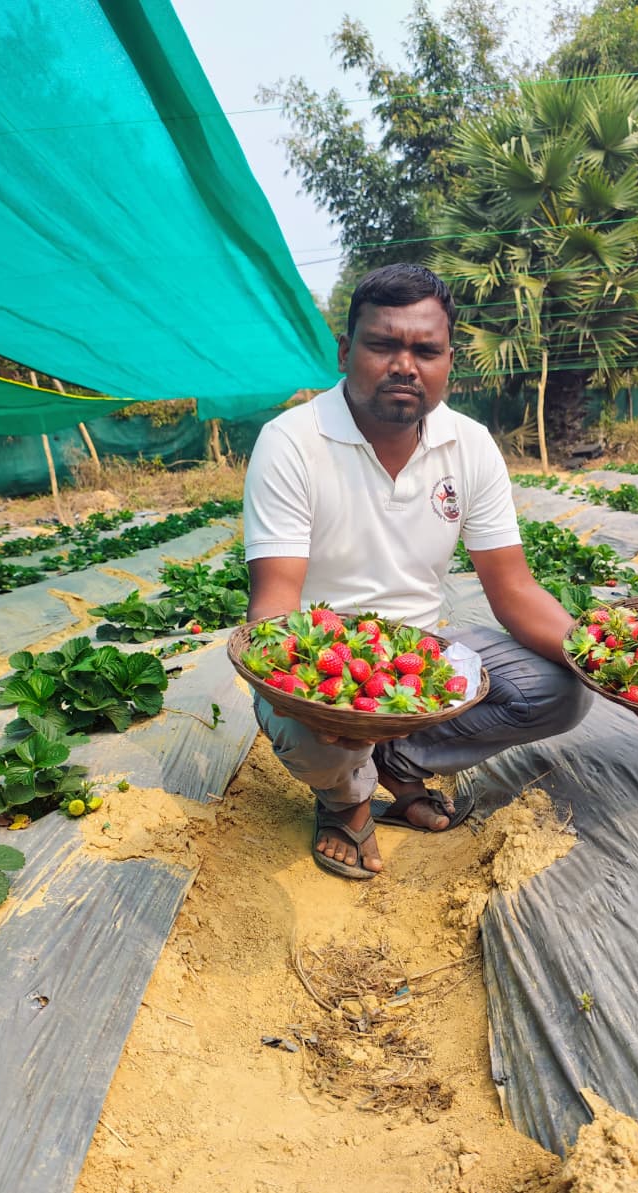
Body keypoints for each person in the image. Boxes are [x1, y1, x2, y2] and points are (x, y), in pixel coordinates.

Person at [243, 263, 593, 880]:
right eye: (383, 345)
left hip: (420, 650)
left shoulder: (470, 444)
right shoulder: (292, 441)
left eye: (426, 351)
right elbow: (275, 602)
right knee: (306, 715)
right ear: (346, 352)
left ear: (448, 361)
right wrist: (312, 692)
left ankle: (397, 762)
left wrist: (603, 660)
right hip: (322, 650)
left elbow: (514, 588)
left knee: (560, 691)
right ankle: (344, 800)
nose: (405, 366)